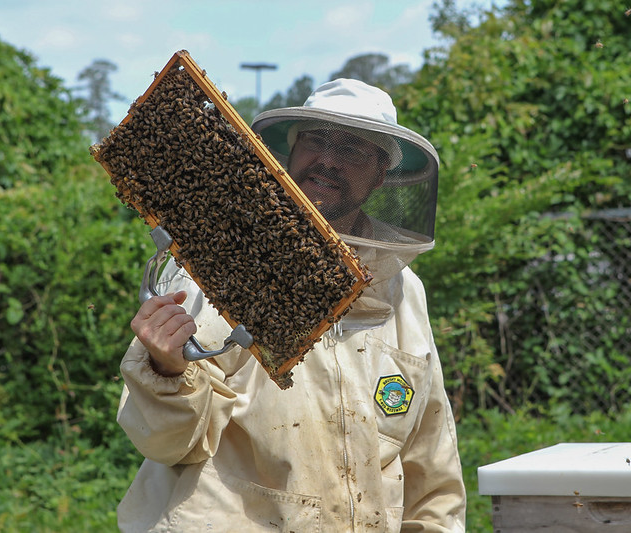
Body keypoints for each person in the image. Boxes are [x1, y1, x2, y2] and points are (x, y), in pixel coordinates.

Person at [116, 78, 466, 532]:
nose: (327, 160)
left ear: (380, 175)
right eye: (316, 141)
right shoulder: (219, 260)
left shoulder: (403, 291)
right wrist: (165, 368)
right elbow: (167, 444)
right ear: (292, 150)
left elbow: (431, 469)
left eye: (353, 150)